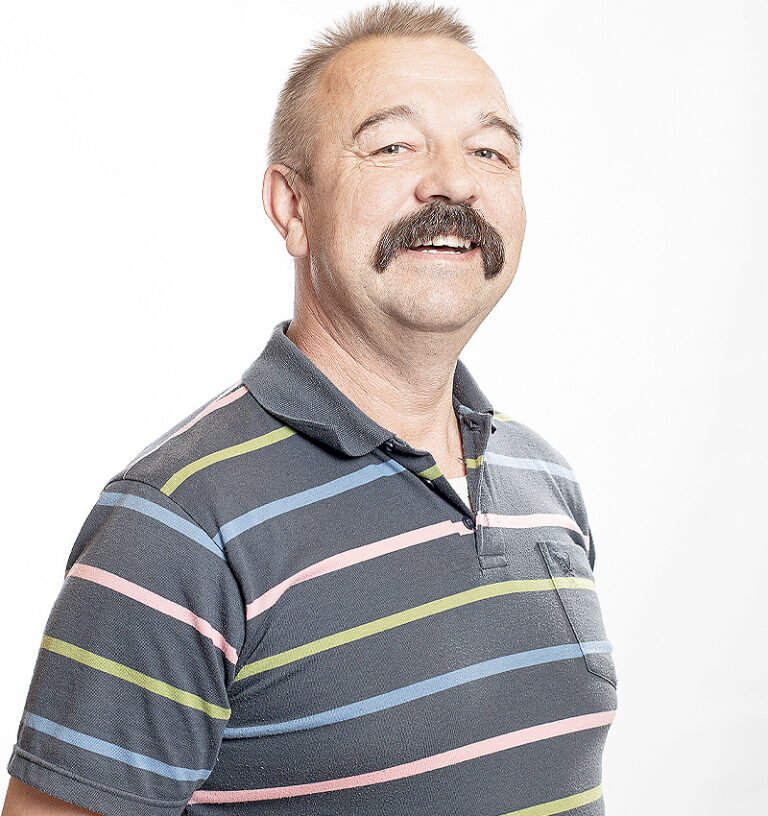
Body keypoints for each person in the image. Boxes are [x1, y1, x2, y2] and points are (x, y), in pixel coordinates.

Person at [2, 2, 617, 815]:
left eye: (490, 151)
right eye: (394, 145)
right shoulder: (180, 526)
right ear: (293, 206)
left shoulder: (543, 481)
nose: (456, 181)